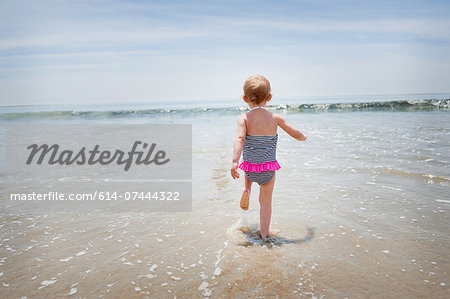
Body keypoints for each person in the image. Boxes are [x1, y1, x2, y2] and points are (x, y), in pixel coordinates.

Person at [230, 75, 307, 239]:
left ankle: (247, 188)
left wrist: (235, 161)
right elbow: (296, 133)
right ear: (269, 97)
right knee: (265, 202)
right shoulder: (275, 118)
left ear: (244, 99)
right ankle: (265, 233)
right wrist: (303, 137)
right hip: (267, 168)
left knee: (248, 164)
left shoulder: (243, 118)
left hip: (249, 167)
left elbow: (239, 139)